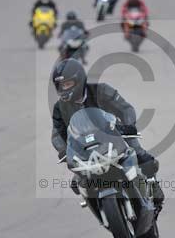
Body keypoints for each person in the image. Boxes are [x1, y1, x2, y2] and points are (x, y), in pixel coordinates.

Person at [51, 59, 164, 214]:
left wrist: (127, 124)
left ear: (79, 80)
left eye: (68, 84)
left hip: (115, 135)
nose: (64, 89)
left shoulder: (101, 90)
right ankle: (97, 207)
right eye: (61, 86)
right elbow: (57, 133)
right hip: (86, 148)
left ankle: (153, 188)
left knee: (142, 157)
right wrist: (64, 149)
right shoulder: (60, 108)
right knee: (78, 183)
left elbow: (126, 109)